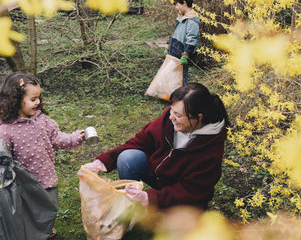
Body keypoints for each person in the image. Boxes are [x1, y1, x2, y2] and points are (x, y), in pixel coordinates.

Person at [85, 83, 229, 209]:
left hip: (184, 196)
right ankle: (130, 207)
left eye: (178, 115)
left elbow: (191, 191)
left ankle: (155, 207)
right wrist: (103, 161)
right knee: (127, 158)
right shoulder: (170, 118)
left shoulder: (211, 148)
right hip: (160, 176)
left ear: (199, 117)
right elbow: (141, 141)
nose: (171, 117)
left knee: (170, 229)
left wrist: (149, 198)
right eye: (171, 110)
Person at [0, 72, 86, 240]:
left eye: (39, 98)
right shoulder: (6, 129)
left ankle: (44, 230)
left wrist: (76, 137)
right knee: (29, 214)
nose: (38, 102)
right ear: (16, 100)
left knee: (48, 208)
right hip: (23, 184)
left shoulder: (42, 121)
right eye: (33, 99)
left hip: (46, 176)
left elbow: (57, 138)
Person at [165, 0, 201, 86]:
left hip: (182, 53)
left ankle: (181, 96)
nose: (176, 8)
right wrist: (169, 45)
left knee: (181, 76)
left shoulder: (192, 20)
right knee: (173, 74)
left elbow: (192, 38)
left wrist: (185, 54)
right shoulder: (182, 17)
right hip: (175, 50)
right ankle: (172, 94)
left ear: (184, 3)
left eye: (177, 5)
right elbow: (175, 32)